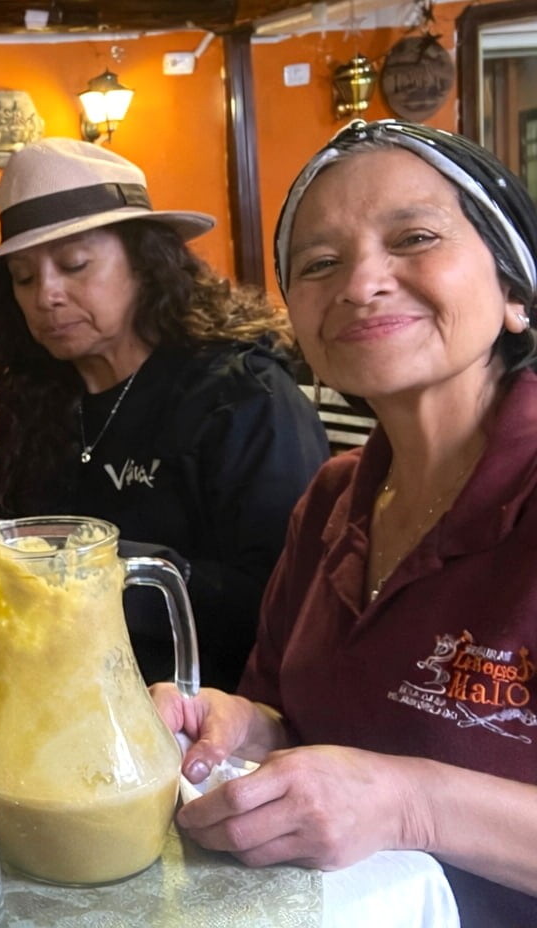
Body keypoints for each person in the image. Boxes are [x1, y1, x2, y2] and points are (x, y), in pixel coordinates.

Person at [157, 119, 537, 924]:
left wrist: (411, 805)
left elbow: (391, 796)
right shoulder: (333, 498)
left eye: (416, 237)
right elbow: (290, 719)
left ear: (514, 293)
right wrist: (237, 731)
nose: (362, 282)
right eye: (320, 263)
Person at [0, 138, 329, 690]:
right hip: (49, 686)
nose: (48, 295)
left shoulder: (244, 397)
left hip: (201, 709)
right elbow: (7, 540)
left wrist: (82, 565)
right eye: (24, 276)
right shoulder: (38, 399)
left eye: (74, 264)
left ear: (145, 261)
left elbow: (284, 601)